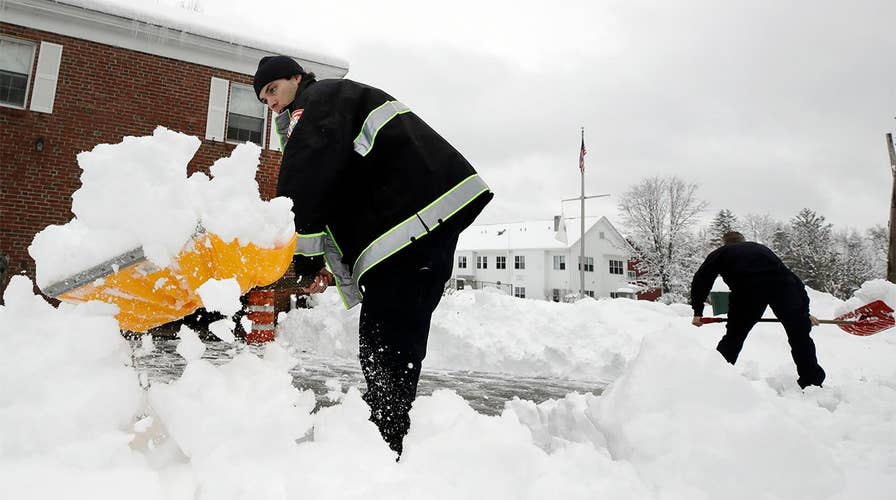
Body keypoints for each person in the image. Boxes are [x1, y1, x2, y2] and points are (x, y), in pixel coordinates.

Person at [253, 56, 493, 455]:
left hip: (410, 229)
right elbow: (334, 186)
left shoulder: (319, 100)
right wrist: (328, 261)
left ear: (296, 77)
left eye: (273, 90)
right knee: (391, 338)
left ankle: (387, 441)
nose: (271, 103)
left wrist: (307, 258)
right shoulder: (330, 106)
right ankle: (387, 432)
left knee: (387, 340)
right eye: (264, 100)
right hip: (413, 232)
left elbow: (306, 177)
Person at [690, 231, 826, 389]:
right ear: (743, 241)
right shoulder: (761, 249)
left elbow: (701, 280)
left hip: (748, 291)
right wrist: (803, 313)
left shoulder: (721, 253)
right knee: (799, 336)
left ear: (725, 243)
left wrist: (697, 312)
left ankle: (715, 378)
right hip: (783, 288)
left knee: (734, 337)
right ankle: (812, 382)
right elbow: (794, 279)